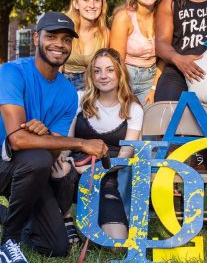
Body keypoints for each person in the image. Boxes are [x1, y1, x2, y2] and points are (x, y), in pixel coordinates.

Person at [0, 12, 109, 263]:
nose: (59, 44)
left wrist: (45, 136)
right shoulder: (12, 73)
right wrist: (82, 143)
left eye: (65, 39)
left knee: (56, 246)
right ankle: (9, 242)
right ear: (35, 38)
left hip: (33, 170)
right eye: (51, 36)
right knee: (36, 157)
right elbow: (18, 141)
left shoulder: (66, 92)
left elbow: (51, 152)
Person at [54, 47, 143, 241]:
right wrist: (71, 165)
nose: (103, 76)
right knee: (59, 169)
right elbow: (66, 144)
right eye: (97, 71)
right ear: (91, 75)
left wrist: (89, 170)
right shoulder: (78, 100)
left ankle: (89, 226)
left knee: (116, 242)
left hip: (106, 177)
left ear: (120, 73)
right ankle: (65, 217)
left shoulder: (133, 109)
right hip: (72, 173)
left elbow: (123, 159)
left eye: (110, 70)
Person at [110, 0, 165, 106]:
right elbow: (117, 60)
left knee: (149, 122)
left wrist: (154, 88)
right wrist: (123, 88)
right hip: (126, 76)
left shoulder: (165, 16)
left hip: (152, 78)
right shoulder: (124, 17)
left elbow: (165, 57)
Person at [63, 0, 110, 91]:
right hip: (64, 85)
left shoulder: (105, 34)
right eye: (86, 0)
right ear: (75, 4)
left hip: (92, 87)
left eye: (97, 0)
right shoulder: (65, 29)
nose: (92, 5)